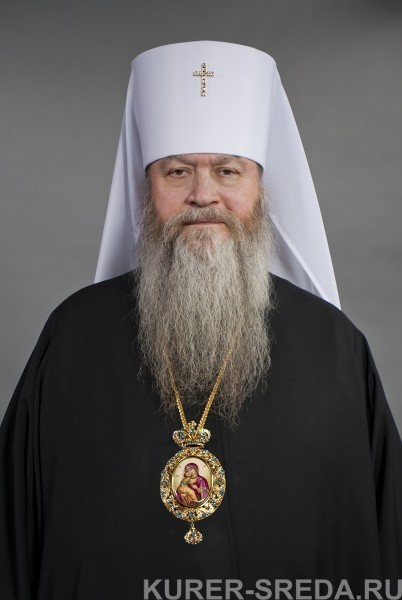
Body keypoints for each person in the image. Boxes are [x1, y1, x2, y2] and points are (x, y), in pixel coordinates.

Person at [1, 41, 401, 599]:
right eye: (177, 171)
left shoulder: (333, 347)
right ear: (147, 187)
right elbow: (12, 541)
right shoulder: (73, 338)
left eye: (228, 171)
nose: (203, 195)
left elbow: (381, 540)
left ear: (260, 188)